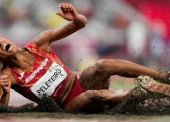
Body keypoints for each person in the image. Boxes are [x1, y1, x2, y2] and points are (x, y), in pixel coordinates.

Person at [0, 2, 169, 112]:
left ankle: (163, 77)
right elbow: (2, 110)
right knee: (93, 95)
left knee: (103, 64)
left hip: (79, 81)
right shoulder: (7, 76)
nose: (1, 44)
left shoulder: (38, 44)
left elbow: (81, 23)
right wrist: (5, 93)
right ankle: (150, 93)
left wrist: (75, 18)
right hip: (68, 104)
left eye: (1, 40)